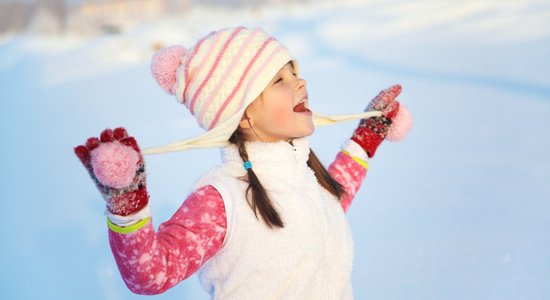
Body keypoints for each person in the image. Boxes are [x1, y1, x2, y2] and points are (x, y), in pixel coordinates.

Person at [74, 26, 411, 299]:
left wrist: (368, 136)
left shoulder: (306, 175)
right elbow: (152, 274)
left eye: (294, 73)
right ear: (243, 114)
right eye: (280, 80)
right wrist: (127, 206)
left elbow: (335, 198)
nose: (301, 83)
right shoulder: (222, 199)